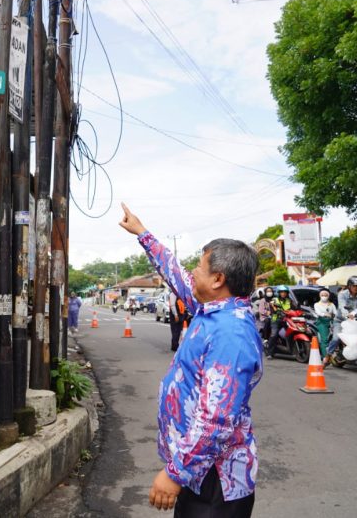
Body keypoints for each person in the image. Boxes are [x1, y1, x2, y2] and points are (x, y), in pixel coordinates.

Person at [119, 203, 262, 516]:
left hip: (215, 482)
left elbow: (217, 420)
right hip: (198, 473)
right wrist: (142, 233)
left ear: (217, 279)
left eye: (200, 266)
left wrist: (175, 474)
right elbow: (176, 275)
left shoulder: (231, 334)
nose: (193, 272)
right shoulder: (211, 310)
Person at [324, 276, 357, 365]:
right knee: (336, 338)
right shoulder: (342, 294)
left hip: (356, 321)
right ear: (349, 286)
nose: (356, 288)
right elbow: (342, 306)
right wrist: (347, 314)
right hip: (340, 321)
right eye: (354, 286)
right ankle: (328, 356)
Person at [267, 285, 295, 359]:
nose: (283, 293)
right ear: (278, 293)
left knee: (292, 332)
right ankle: (270, 353)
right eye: (281, 292)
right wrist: (278, 312)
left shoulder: (289, 301)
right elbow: (273, 309)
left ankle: (291, 349)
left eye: (285, 292)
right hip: (276, 319)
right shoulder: (274, 300)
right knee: (274, 334)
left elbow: (294, 308)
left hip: (287, 319)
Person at [313, 289, 336, 358]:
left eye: (326, 295)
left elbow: (336, 313)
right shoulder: (317, 304)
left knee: (334, 338)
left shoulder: (331, 304)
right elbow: (318, 313)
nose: (324, 296)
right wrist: (325, 314)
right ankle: (325, 357)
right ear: (320, 296)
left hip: (331, 321)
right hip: (322, 322)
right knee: (325, 340)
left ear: (328, 296)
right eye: (322, 295)